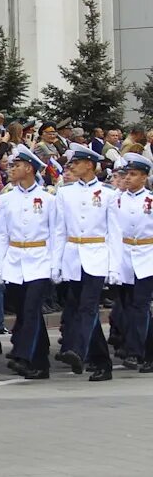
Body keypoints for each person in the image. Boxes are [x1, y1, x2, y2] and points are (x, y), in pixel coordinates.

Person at [0, 144, 65, 379]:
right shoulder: (5, 200)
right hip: (15, 261)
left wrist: (55, 265)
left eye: (16, 165)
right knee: (26, 313)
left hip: (39, 260)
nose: (10, 169)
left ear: (28, 168)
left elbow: (56, 234)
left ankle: (23, 355)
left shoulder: (47, 199)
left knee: (32, 309)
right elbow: (2, 234)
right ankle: (40, 362)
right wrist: (0, 264)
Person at [54, 142, 115, 380]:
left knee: (88, 306)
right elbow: (60, 230)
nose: (72, 167)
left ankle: (77, 350)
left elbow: (114, 232)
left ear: (89, 165)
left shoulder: (108, 194)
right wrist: (56, 263)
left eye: (76, 163)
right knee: (80, 307)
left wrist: (113, 266)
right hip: (73, 255)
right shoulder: (64, 192)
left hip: (97, 254)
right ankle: (102, 362)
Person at [108, 152, 153, 372]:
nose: (127, 178)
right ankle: (143, 350)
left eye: (133, 175)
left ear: (144, 177)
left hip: (146, 255)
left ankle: (135, 352)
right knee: (126, 305)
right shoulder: (116, 199)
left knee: (140, 306)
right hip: (123, 256)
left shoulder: (150, 200)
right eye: (126, 174)